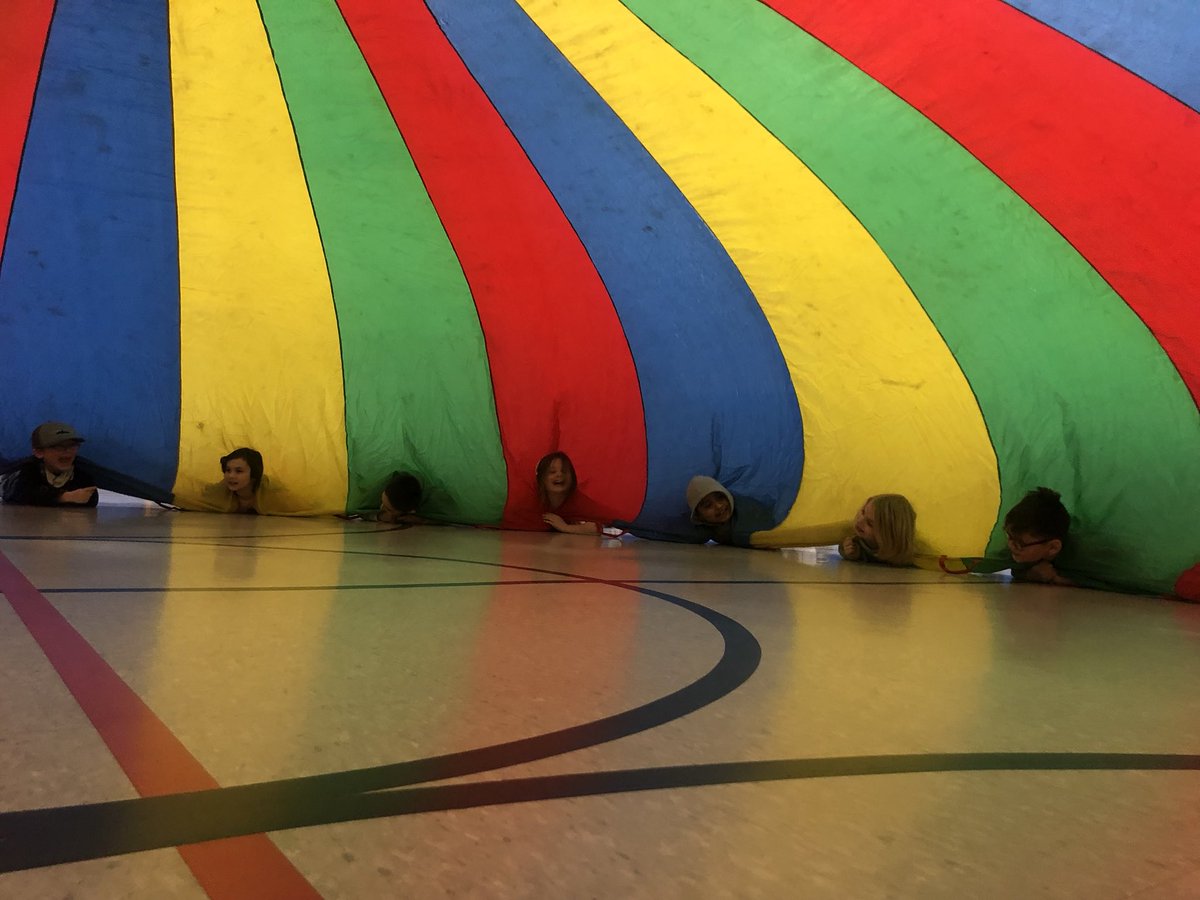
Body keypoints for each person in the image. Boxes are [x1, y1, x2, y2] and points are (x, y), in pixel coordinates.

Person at [0, 422, 98, 507]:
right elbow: (22, 494)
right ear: (39, 452)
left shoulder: (82, 474)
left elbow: (91, 499)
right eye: (59, 447)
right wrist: (63, 497)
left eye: (72, 446)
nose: (67, 451)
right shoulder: (28, 470)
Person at [1003, 486, 1073, 585]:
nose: (1011, 546)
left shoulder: (1085, 559)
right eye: (1009, 536)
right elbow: (1016, 568)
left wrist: (1056, 578)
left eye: (1020, 543)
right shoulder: (1024, 550)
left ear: (1053, 547)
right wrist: (1030, 574)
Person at [839, 494, 916, 567]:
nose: (860, 521)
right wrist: (849, 553)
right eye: (863, 512)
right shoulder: (856, 541)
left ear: (889, 534)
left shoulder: (904, 552)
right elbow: (842, 547)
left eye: (870, 523)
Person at [537, 451, 602, 535]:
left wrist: (565, 527)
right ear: (541, 478)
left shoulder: (579, 500)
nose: (559, 474)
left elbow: (597, 527)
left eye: (564, 471)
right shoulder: (531, 500)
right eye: (552, 472)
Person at [217, 447, 264, 514]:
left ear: (254, 473)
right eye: (228, 470)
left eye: (239, 471)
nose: (231, 476)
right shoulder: (219, 491)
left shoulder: (274, 494)